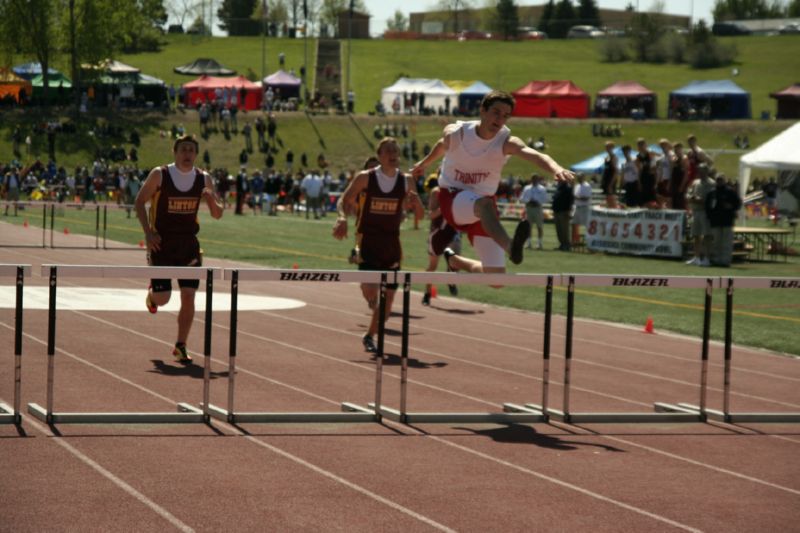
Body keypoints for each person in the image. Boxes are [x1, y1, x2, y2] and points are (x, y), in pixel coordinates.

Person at [411, 90, 573, 276]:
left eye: (505, 116)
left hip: (484, 211)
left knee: (496, 277)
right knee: (483, 204)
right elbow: (442, 145)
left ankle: (455, 261)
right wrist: (423, 163)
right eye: (496, 112)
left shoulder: (505, 142)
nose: (500, 119)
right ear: (483, 110)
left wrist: (556, 168)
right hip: (453, 198)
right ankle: (511, 247)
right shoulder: (458, 134)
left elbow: (535, 155)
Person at [134, 135, 224, 364]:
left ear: (196, 154)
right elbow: (139, 201)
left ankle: (180, 345)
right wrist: (148, 232)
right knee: (163, 299)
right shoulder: (160, 174)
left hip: (188, 245)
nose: (187, 154)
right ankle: (153, 296)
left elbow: (217, 214)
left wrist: (211, 199)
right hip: (161, 243)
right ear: (175, 152)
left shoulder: (204, 178)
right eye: (183, 149)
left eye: (191, 150)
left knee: (189, 295)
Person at [332, 137, 424, 353]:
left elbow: (420, 214)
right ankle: (373, 305)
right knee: (371, 290)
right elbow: (344, 200)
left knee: (388, 300)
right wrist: (342, 218)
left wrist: (415, 203)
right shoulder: (366, 178)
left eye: (396, 150)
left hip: (391, 245)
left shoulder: (406, 181)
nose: (393, 154)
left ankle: (369, 335)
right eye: (388, 150)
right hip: (368, 243)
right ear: (380, 156)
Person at [422, 177, 461, 306]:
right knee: (432, 266)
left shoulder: (460, 189)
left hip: (453, 231)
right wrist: (444, 207)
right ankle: (427, 294)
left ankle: (450, 280)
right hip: (437, 233)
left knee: (456, 262)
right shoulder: (436, 191)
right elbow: (431, 214)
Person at [705, 174, 742, 267]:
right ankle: (716, 260)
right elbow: (707, 207)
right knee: (716, 242)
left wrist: (731, 206)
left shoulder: (730, 191)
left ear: (724, 180)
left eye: (721, 180)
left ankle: (725, 261)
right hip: (715, 222)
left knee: (726, 242)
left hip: (727, 221)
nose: (719, 181)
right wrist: (710, 217)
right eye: (718, 180)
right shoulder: (712, 192)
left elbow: (738, 204)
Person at [684, 163, 716, 267]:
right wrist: (690, 197)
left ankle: (706, 258)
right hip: (695, 211)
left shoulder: (711, 183)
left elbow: (711, 199)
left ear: (707, 171)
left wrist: (700, 200)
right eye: (699, 170)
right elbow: (689, 192)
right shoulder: (695, 182)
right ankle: (696, 257)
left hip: (705, 212)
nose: (701, 172)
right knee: (696, 235)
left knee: (706, 236)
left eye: (703, 170)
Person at [519, 173, 549, 250]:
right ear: (531, 179)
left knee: (539, 226)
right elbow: (522, 198)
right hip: (529, 208)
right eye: (533, 178)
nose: (534, 180)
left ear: (538, 179)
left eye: (536, 178)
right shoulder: (527, 188)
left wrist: (537, 202)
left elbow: (545, 199)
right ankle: (528, 243)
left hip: (537, 208)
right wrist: (528, 201)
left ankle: (539, 243)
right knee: (528, 227)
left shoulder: (542, 189)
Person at [551, 177, 574, 251]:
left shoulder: (568, 188)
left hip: (564, 211)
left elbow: (570, 201)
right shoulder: (558, 188)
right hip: (557, 211)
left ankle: (567, 245)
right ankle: (561, 244)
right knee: (559, 230)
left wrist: (569, 211)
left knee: (564, 230)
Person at [572, 173, 593, 245]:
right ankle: (575, 241)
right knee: (574, 224)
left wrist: (577, 197)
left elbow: (587, 198)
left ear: (583, 177)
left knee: (586, 225)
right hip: (577, 207)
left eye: (580, 177)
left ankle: (589, 241)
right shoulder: (577, 186)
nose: (578, 178)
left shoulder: (587, 186)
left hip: (584, 208)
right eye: (578, 177)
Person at [601, 141, 618, 208]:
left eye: (608, 147)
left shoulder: (614, 157)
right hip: (606, 179)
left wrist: (611, 183)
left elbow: (615, 171)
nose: (607, 148)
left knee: (611, 196)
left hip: (611, 180)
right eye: (606, 147)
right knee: (607, 197)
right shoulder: (606, 158)